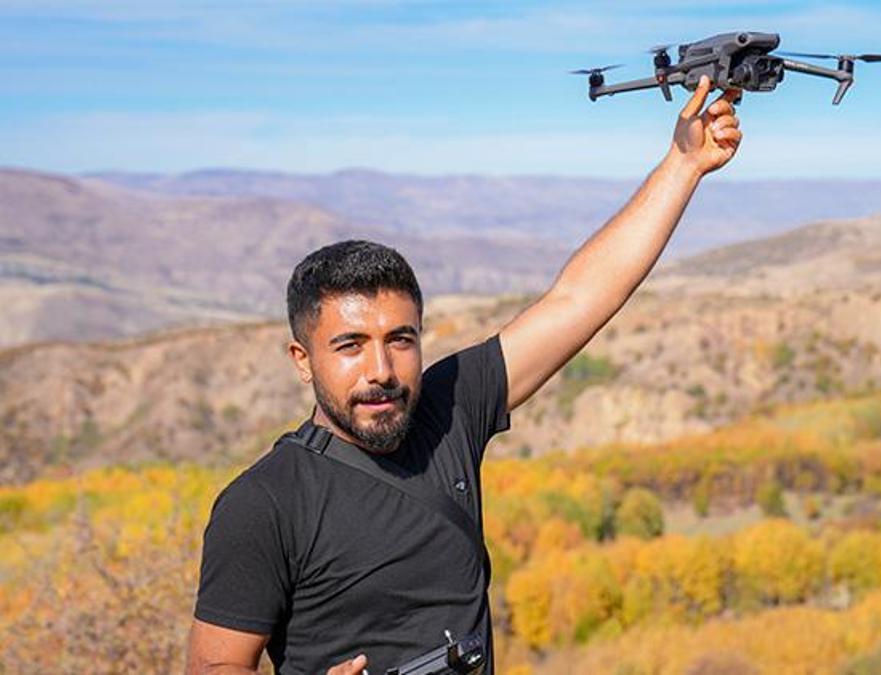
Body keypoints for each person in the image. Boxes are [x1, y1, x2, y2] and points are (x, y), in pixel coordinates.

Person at [185, 75, 743, 675]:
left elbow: (579, 299)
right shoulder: (265, 503)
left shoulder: (448, 409)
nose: (381, 371)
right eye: (350, 346)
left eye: (400, 339)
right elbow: (213, 667)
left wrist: (684, 166)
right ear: (303, 360)